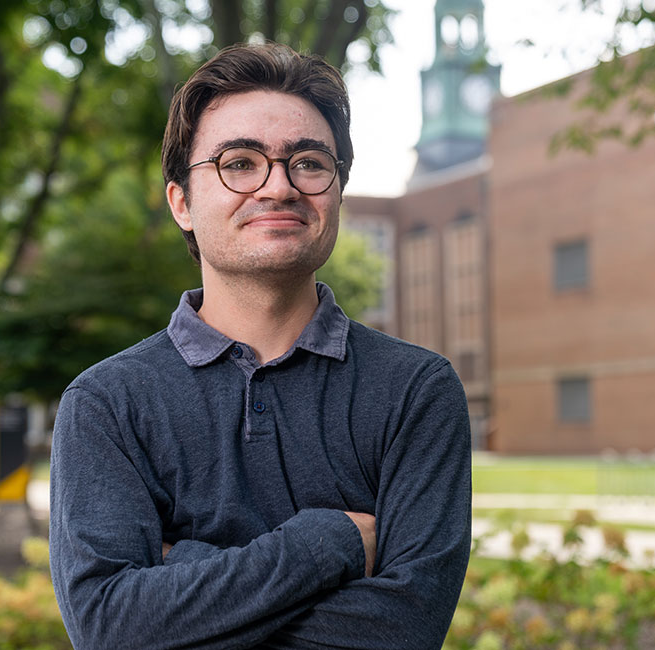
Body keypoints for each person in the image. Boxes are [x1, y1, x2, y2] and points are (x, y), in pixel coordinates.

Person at [49, 42, 472, 650]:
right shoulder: (106, 402)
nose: (279, 186)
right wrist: (333, 543)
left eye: (308, 162)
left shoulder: (416, 390)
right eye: (240, 163)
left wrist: (180, 572)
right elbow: (110, 627)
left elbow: (405, 630)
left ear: (336, 196)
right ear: (182, 203)